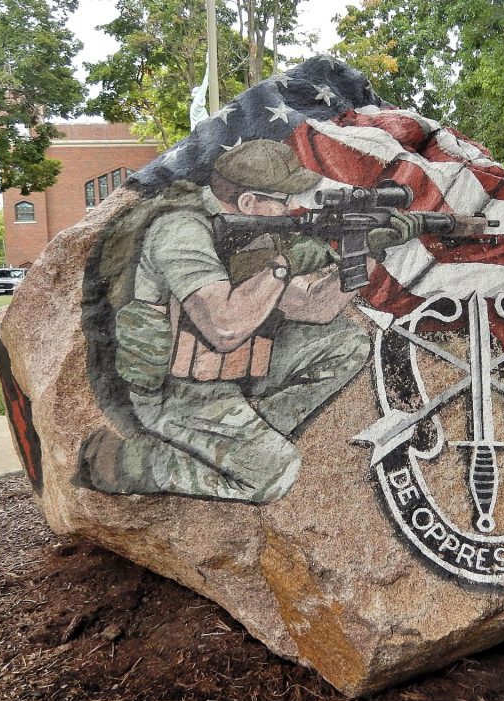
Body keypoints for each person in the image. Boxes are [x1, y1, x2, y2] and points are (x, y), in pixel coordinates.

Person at [103, 139, 423, 503]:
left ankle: (245, 438)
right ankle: (139, 461)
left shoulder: (254, 233)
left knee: (347, 343)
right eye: (283, 199)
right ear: (249, 203)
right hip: (176, 394)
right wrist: (284, 265)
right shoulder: (180, 232)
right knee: (275, 473)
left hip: (234, 380)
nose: (292, 208)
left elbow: (314, 309)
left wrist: (369, 252)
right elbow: (224, 328)